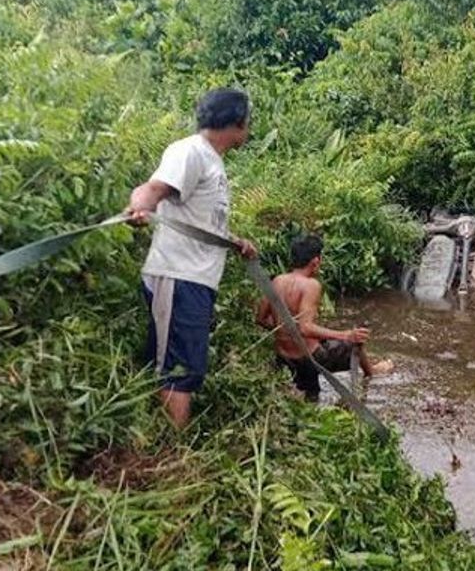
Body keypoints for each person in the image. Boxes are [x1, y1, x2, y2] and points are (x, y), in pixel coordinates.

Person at [125, 88, 258, 429]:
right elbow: (153, 188)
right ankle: (175, 452)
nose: (249, 128)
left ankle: (169, 443)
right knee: (178, 369)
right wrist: (141, 205)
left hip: (195, 281)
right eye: (248, 122)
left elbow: (200, 222)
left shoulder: (212, 162)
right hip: (178, 276)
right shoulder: (190, 152)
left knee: (187, 366)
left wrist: (235, 242)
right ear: (237, 122)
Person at [256, 235, 393, 402]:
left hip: (283, 358)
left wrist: (285, 332)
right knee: (353, 344)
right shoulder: (311, 285)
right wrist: (346, 335)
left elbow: (261, 319)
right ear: (315, 261)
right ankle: (372, 372)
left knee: (308, 400)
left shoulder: (276, 281)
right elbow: (305, 328)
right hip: (307, 358)